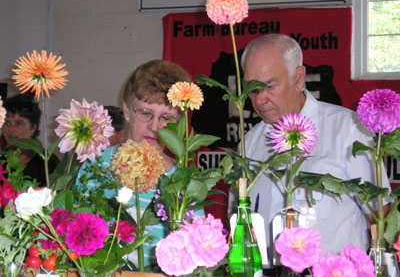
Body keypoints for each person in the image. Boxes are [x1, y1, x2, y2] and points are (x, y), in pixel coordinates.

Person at [230, 34, 391, 267]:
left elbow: (380, 216)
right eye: (252, 90)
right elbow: (237, 219)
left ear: (298, 78)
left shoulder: (347, 129)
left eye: (269, 86)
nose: (260, 100)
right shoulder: (250, 142)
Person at [77, 59, 203, 268]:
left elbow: (198, 257)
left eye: (167, 117)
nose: (155, 126)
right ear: (127, 111)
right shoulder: (95, 165)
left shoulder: (184, 182)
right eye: (145, 113)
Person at [1, 93, 59, 187]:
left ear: (33, 128)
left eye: (18, 123)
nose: (11, 129)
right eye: (7, 123)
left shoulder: (47, 163)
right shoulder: (1, 159)